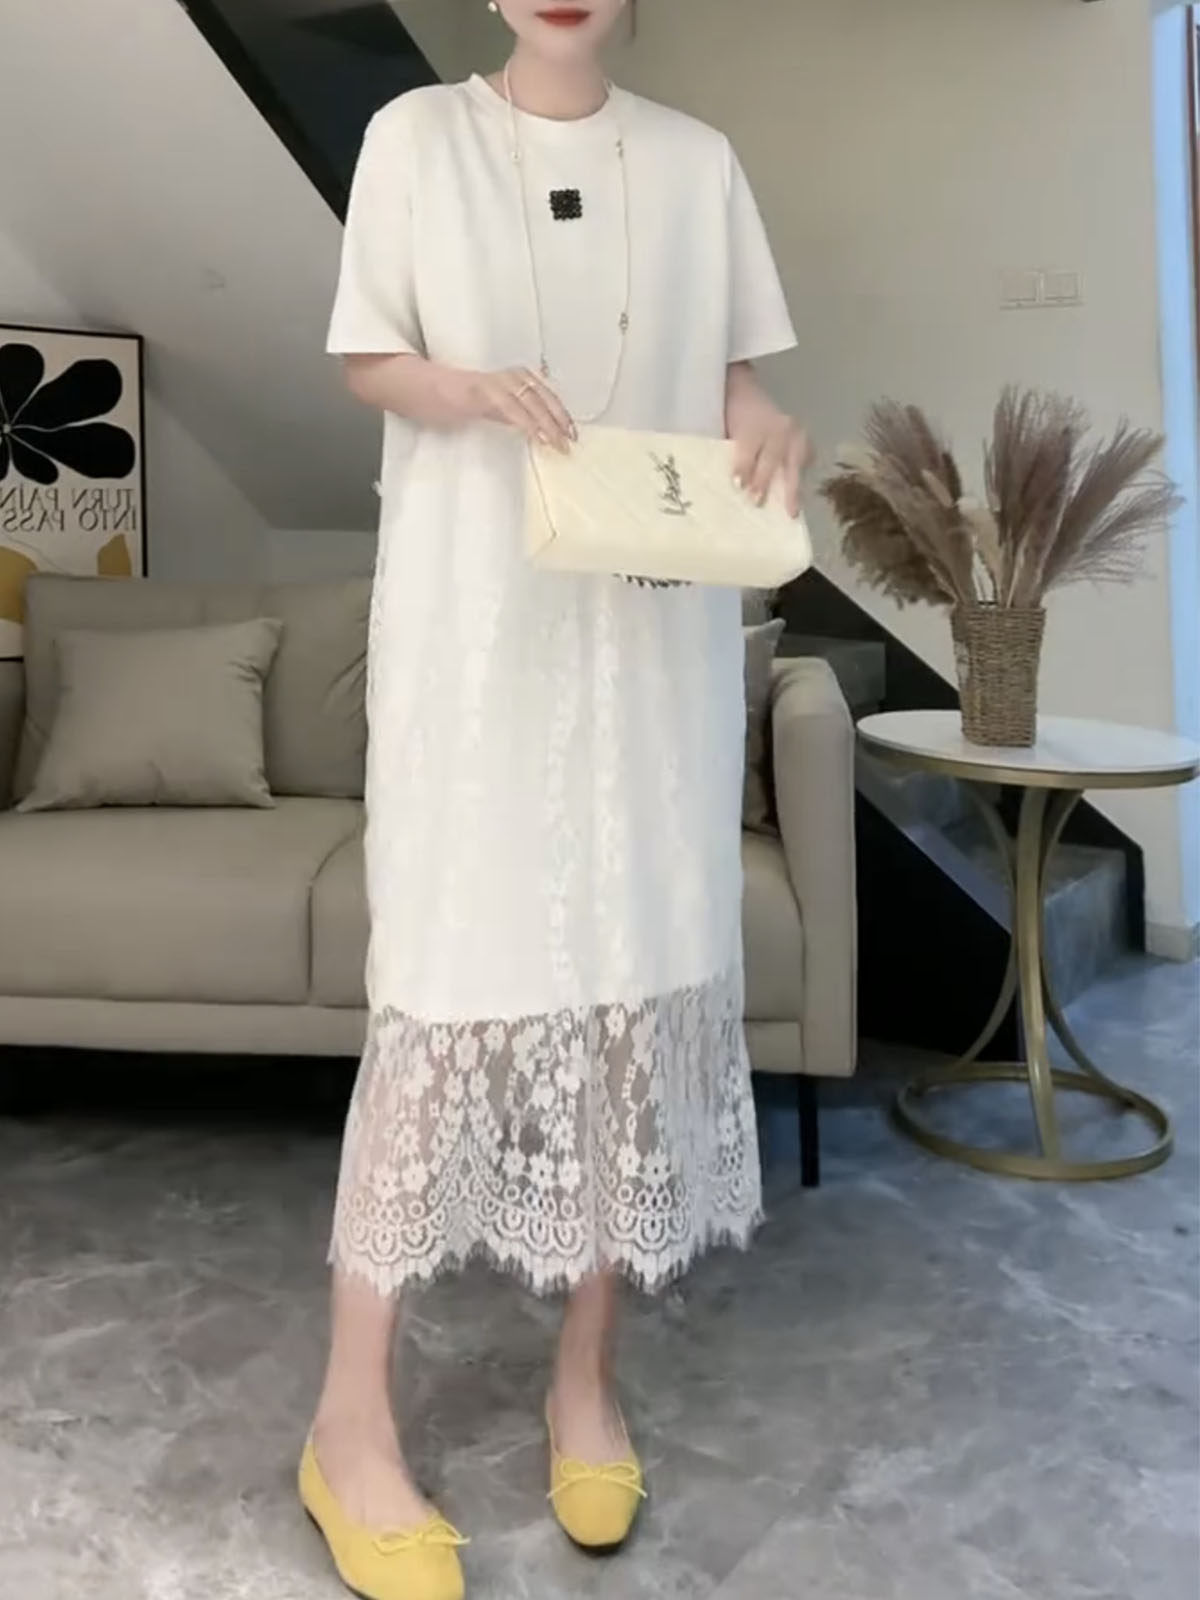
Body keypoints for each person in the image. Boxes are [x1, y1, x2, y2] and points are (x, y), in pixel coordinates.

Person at [299, 3, 810, 1596]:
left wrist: (763, 425)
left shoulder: (698, 162)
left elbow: (727, 379)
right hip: (477, 639)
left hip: (648, 646)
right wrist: (465, 389)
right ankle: (347, 1425)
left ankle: (585, 1378)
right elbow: (366, 354)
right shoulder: (416, 140)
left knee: (627, 996)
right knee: (439, 990)